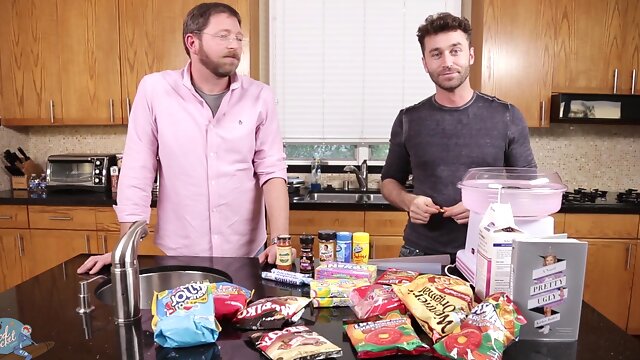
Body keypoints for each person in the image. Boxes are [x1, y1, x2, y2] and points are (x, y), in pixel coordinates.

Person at [78, 2, 289, 274]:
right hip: (181, 252)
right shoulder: (155, 90)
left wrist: (280, 242)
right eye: (223, 36)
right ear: (193, 42)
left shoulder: (260, 96)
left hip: (247, 253)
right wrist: (125, 250)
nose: (234, 44)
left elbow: (272, 171)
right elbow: (138, 171)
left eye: (238, 37)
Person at [380, 12, 536, 262]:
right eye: (436, 54)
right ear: (425, 63)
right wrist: (409, 201)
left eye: (455, 51)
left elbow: (528, 188)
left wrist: (483, 205)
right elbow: (389, 181)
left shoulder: (506, 115)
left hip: (489, 253)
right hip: (420, 253)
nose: (447, 61)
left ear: (470, 55)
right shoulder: (409, 119)